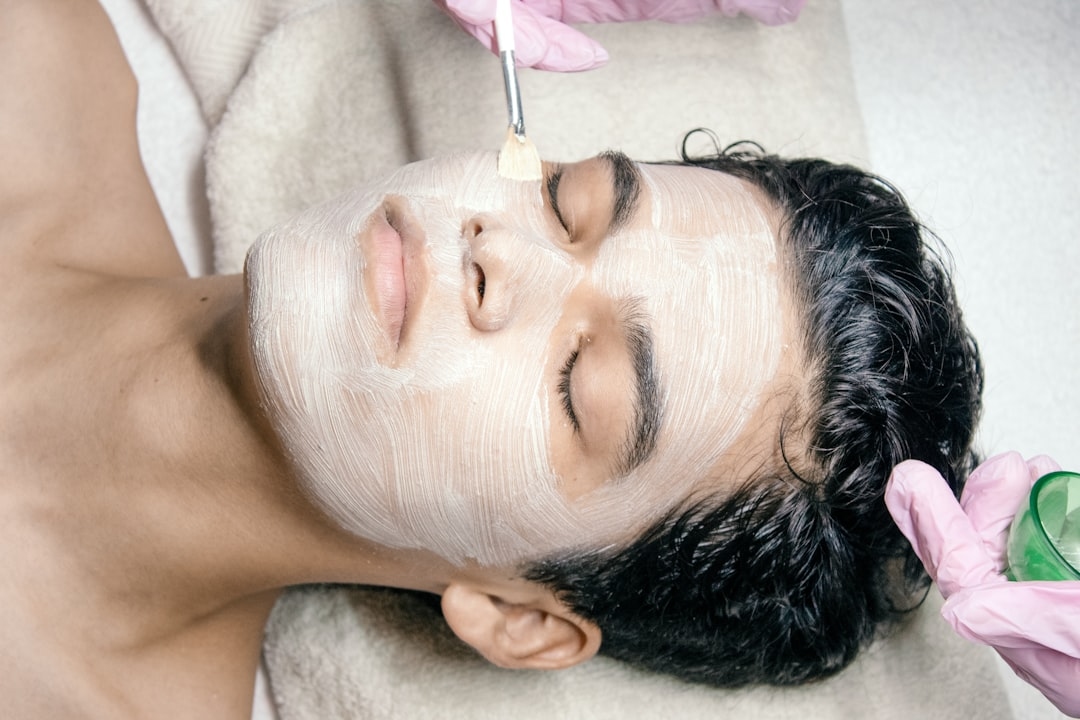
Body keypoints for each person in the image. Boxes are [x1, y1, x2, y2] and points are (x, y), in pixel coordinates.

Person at [1, 1, 981, 719]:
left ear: (522, 619)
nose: (499, 252)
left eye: (577, 386)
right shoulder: (33, 53)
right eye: (564, 202)